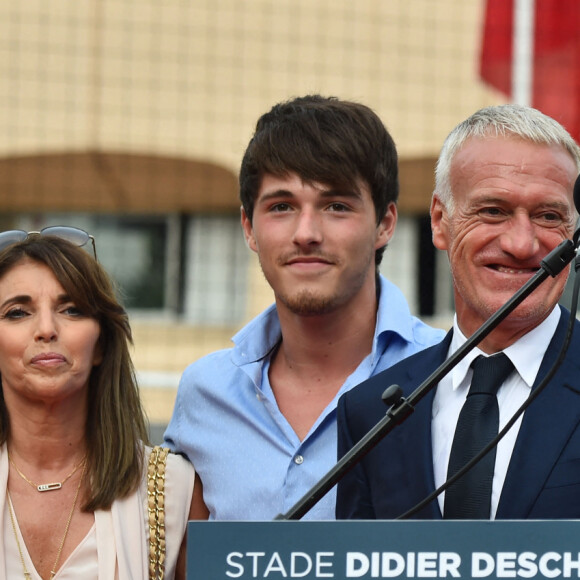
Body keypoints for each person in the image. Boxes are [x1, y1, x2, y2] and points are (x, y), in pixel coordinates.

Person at [164, 94, 445, 520]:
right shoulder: (205, 393)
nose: (306, 232)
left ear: (385, 224)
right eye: (281, 206)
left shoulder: (448, 374)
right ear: (249, 228)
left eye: (336, 206)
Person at [336, 104, 580, 520]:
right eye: (493, 211)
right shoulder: (370, 415)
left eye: (548, 216)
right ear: (439, 221)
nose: (522, 244)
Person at [0, 229, 208, 580]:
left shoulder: (172, 490)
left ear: (100, 345)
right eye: (18, 313)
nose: (47, 329)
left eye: (72, 309)